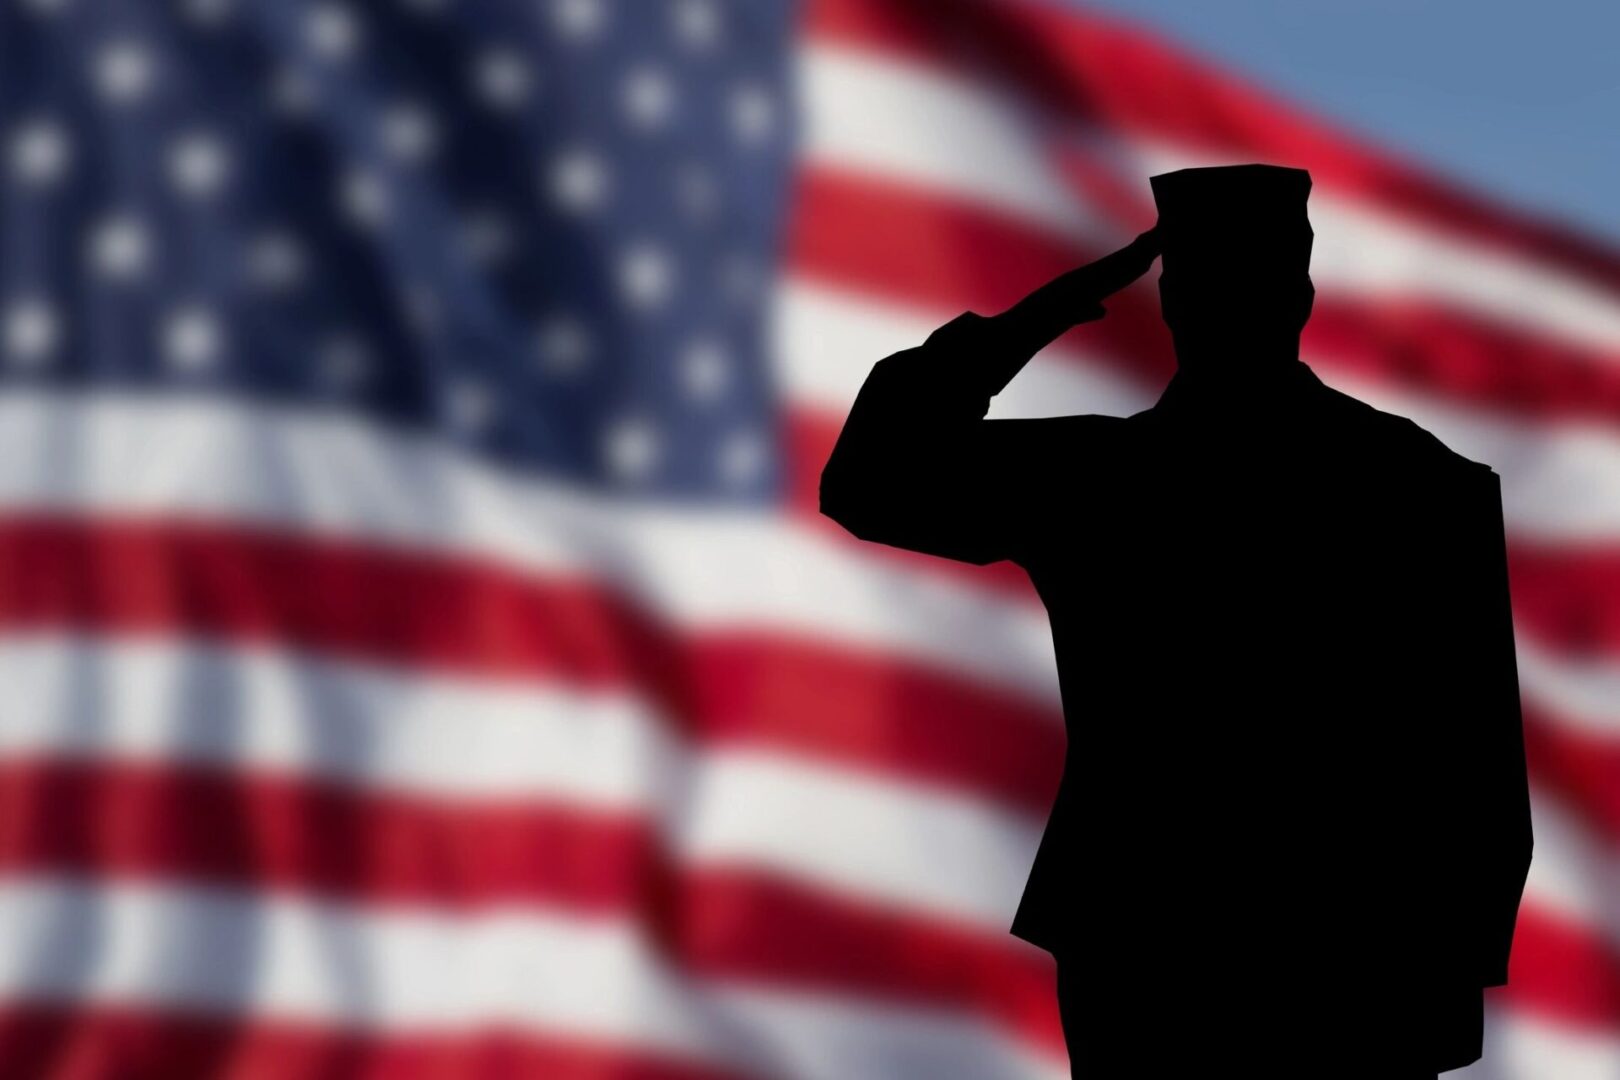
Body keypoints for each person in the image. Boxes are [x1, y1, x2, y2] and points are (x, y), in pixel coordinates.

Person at [818, 164, 1533, 1078]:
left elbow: (870, 475)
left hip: (1172, 949)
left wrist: (1023, 327)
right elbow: (1480, 767)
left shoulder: (1100, 480)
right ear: (1300, 292)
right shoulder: (1422, 486)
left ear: (1170, 302)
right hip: (1329, 967)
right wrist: (1440, 981)